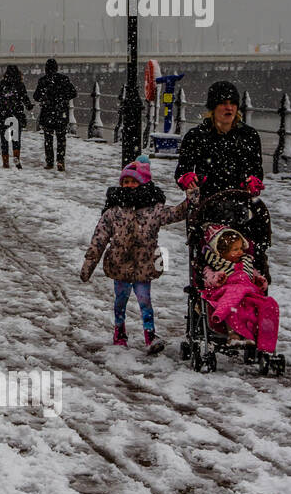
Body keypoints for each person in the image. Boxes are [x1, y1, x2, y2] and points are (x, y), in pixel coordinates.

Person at [80, 154, 193, 353]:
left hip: (144, 265)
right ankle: (119, 331)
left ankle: (150, 335)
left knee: (145, 301)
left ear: (143, 183)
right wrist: (89, 264)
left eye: (134, 181)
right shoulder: (113, 211)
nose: (129, 185)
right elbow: (99, 238)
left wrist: (191, 198)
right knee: (120, 301)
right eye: (126, 181)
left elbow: (175, 213)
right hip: (120, 264)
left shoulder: (153, 209)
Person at [175, 79, 271, 277]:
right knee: (210, 250)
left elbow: (256, 169)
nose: (229, 107)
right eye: (223, 103)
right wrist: (187, 178)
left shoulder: (249, 136)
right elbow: (182, 171)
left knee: (249, 246)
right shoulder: (196, 136)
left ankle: (249, 279)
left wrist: (253, 180)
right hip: (207, 206)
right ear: (213, 108)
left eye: (233, 103)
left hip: (240, 204)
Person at [199, 225, 280, 354]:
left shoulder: (246, 262)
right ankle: (234, 335)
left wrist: (259, 281)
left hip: (248, 293)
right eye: (235, 249)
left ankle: (260, 342)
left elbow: (255, 275)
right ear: (222, 252)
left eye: (241, 248)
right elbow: (208, 279)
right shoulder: (214, 265)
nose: (240, 252)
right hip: (226, 292)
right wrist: (217, 279)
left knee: (267, 304)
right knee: (232, 304)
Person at [33, 57, 77, 172]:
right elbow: (73, 93)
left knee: (48, 139)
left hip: (47, 113)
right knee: (61, 139)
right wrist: (62, 98)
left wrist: (45, 98)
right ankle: (60, 161)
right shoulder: (64, 79)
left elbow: (36, 97)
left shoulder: (43, 80)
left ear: (46, 68)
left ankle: (49, 162)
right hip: (61, 113)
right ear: (57, 68)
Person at [0, 64, 33, 168]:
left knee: (4, 140)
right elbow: (26, 100)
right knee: (16, 139)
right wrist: (29, 106)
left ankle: (5, 162)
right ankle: (16, 161)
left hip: (2, 116)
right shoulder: (20, 85)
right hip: (16, 115)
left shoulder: (0, 85)